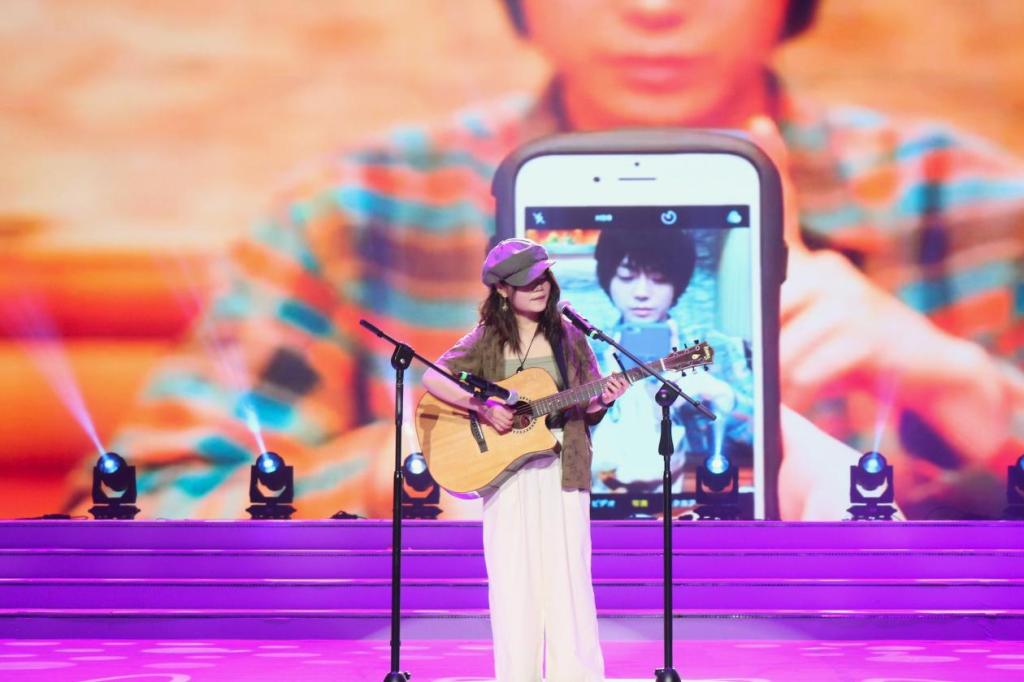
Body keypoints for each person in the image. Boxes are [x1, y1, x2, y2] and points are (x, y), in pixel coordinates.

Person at [63, 0, 1024, 521]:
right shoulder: (355, 212)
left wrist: (977, 399)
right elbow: (124, 520)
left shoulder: (968, 202)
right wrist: (407, 471)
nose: (655, 10)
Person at [422, 237, 628, 681]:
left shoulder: (570, 335)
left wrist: (604, 399)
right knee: (514, 581)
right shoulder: (486, 339)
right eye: (527, 281)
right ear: (502, 289)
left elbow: (588, 404)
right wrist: (481, 407)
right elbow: (432, 377)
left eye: (543, 277)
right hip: (505, 472)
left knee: (568, 579)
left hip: (563, 466)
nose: (539, 286)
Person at [587, 227, 750, 495]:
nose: (641, 292)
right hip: (591, 500)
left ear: (677, 284)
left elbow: (762, 434)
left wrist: (724, 398)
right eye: (627, 277)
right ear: (608, 279)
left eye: (659, 279)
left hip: (686, 498)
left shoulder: (715, 348)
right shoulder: (584, 349)